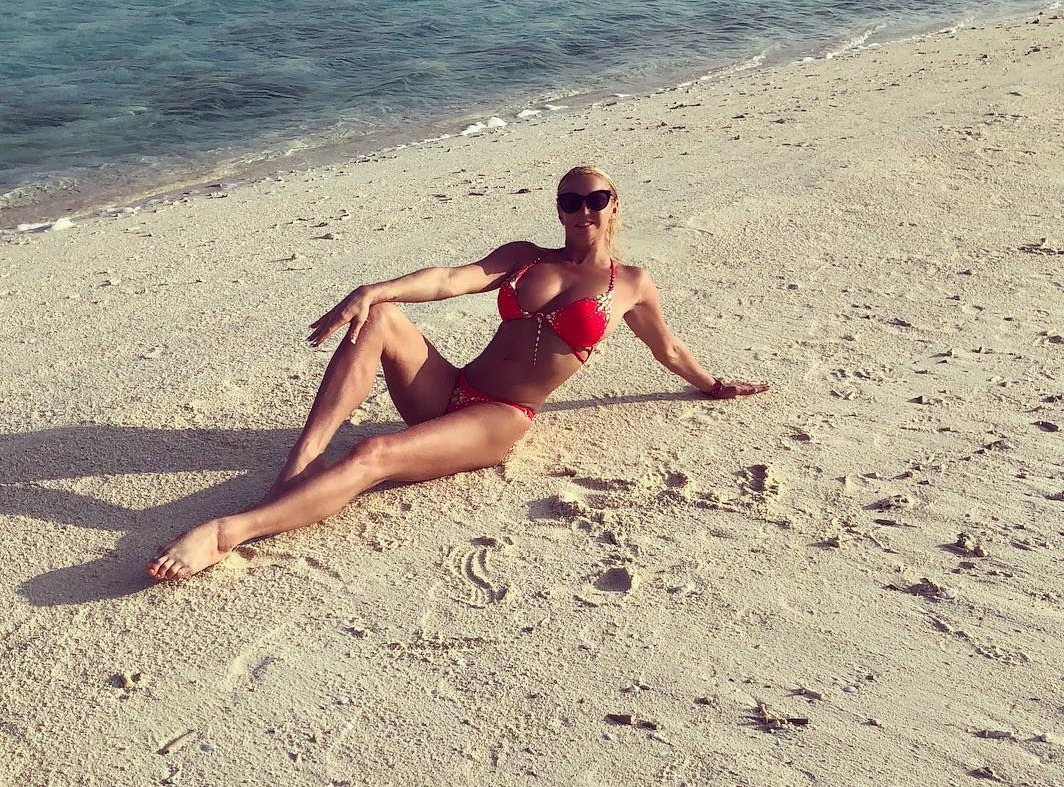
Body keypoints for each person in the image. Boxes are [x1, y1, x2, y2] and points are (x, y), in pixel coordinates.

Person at [148, 165, 769, 580]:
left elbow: (668, 349)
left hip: (500, 418)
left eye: (594, 199)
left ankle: (228, 533)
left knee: (372, 452)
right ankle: (302, 463)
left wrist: (712, 384)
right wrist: (371, 289)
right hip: (452, 388)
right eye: (569, 200)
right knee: (382, 316)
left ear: (614, 206)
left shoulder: (630, 283)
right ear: (559, 210)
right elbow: (450, 280)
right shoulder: (525, 257)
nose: (581, 209)